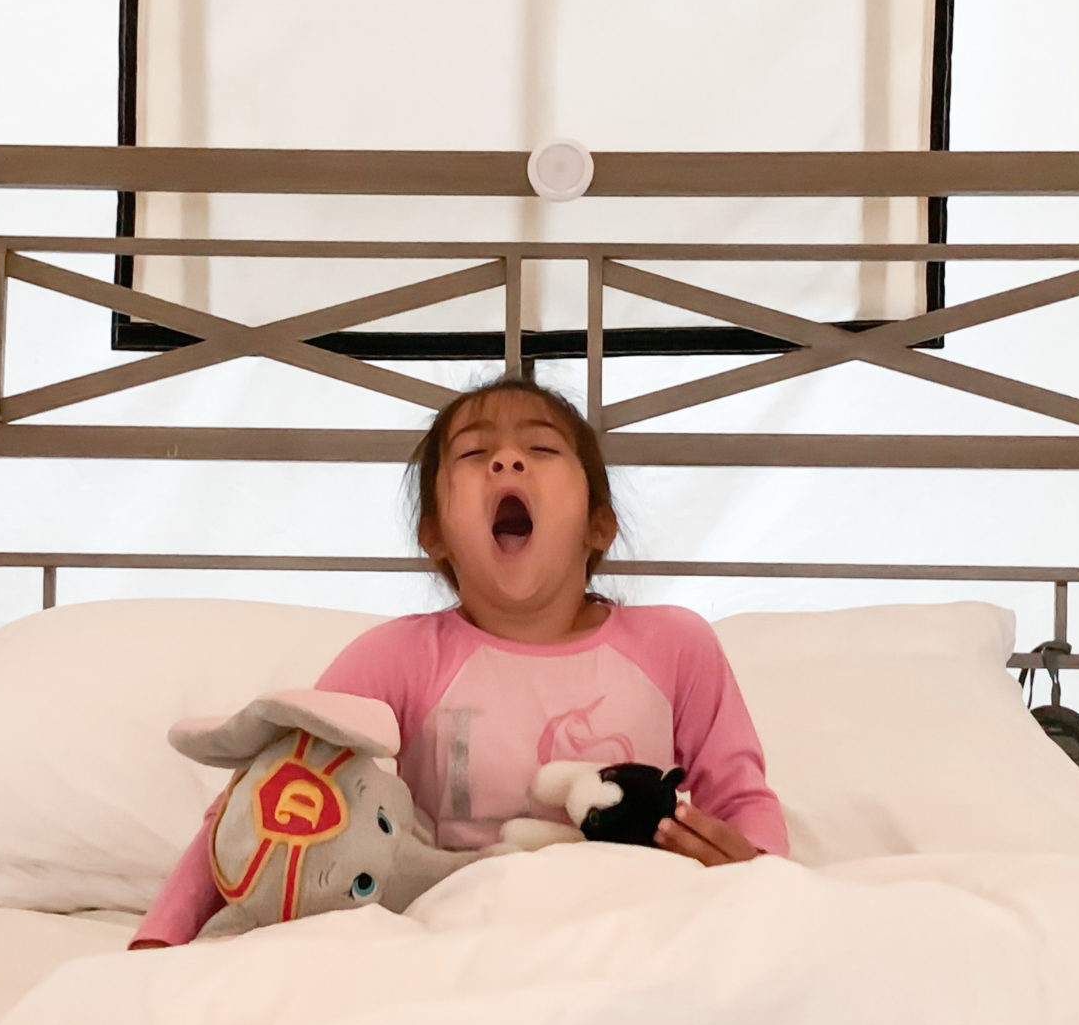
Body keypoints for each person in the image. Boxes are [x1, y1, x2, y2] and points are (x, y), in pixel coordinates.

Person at [129, 377, 787, 947]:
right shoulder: (398, 658)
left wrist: (758, 882)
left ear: (598, 525)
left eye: (541, 448)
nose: (507, 462)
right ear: (435, 534)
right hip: (460, 940)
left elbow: (740, 798)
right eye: (475, 454)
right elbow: (264, 805)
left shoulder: (676, 645)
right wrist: (160, 937)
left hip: (638, 930)